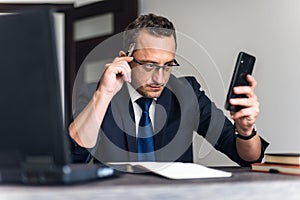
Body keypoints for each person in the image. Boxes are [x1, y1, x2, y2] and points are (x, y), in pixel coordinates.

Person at [68, 13, 268, 166]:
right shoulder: (98, 93)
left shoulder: (187, 92)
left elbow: (247, 158)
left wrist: (245, 131)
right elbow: (74, 156)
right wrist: (104, 95)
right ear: (124, 58)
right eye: (149, 65)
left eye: (167, 65)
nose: (159, 77)